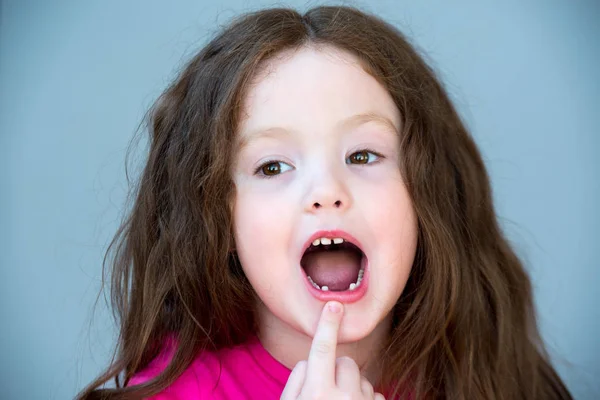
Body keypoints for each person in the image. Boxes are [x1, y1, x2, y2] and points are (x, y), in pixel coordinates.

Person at [77, 5, 573, 400]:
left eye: (362, 154)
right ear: (218, 219)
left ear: (428, 195)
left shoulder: (493, 374)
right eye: (272, 167)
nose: (326, 191)